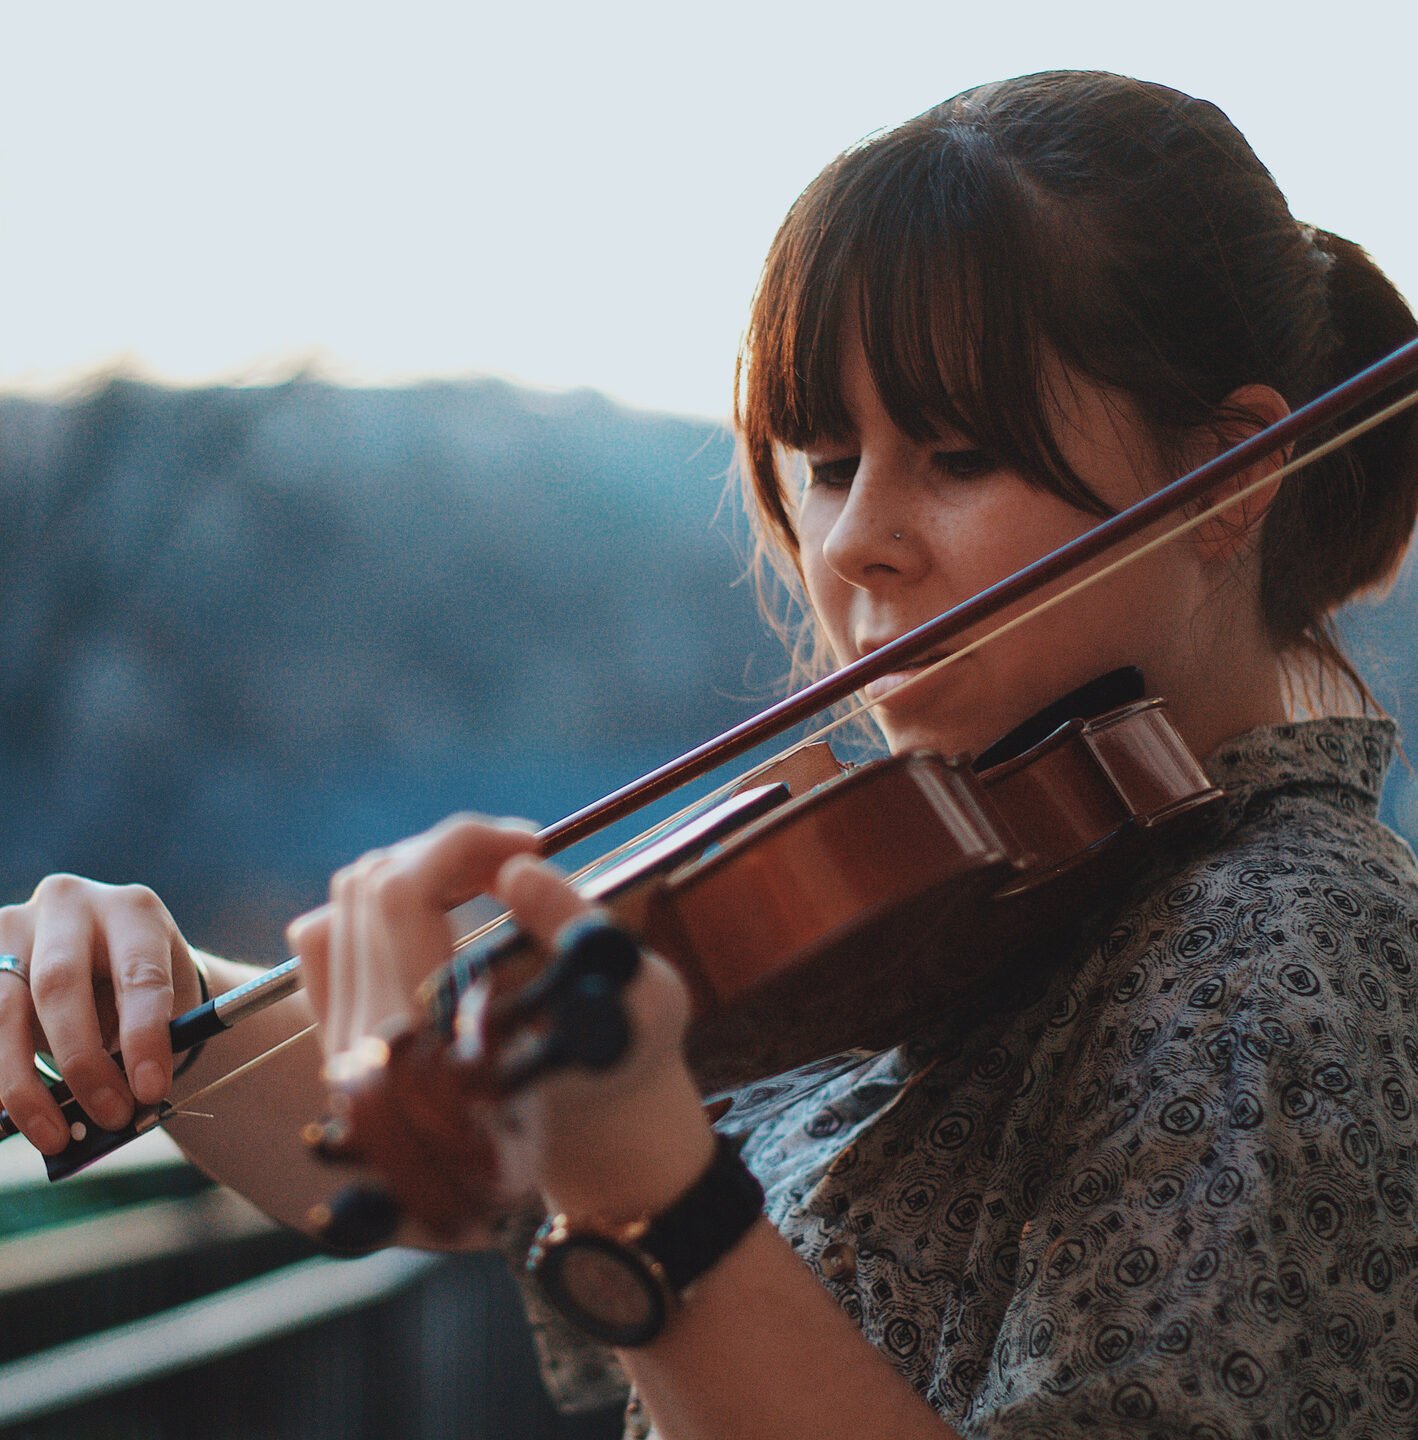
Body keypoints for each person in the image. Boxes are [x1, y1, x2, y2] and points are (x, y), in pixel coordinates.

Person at [1, 69, 1416, 1438]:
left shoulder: (1287, 949)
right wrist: (167, 1012)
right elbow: (451, 1162)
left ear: (1227, 478)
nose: (853, 538)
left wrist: (653, 1206)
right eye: (824, 457)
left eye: (958, 454)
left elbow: (645, 1206)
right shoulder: (990, 900)